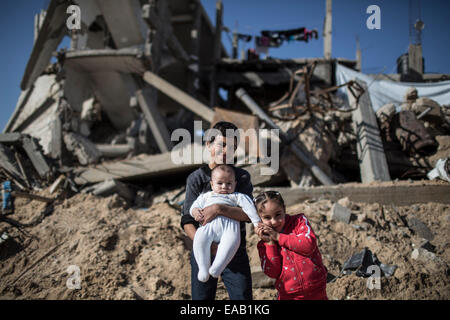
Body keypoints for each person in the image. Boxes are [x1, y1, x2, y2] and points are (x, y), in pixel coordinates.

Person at [180, 121, 254, 300]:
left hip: (234, 252)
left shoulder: (241, 177)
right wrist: (207, 245)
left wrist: (219, 209)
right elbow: (187, 220)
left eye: (232, 147)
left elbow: (247, 214)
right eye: (221, 144)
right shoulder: (196, 179)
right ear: (208, 144)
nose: (226, 151)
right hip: (204, 250)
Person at [190, 165, 260, 283]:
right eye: (220, 183)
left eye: (229, 183)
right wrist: (196, 212)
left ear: (235, 183)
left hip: (229, 228)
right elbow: (194, 206)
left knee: (232, 242)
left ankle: (217, 267)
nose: (224, 187)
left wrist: (257, 222)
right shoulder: (206, 196)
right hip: (208, 227)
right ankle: (203, 267)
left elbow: (250, 208)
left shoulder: (237, 196)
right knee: (199, 239)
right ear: (212, 184)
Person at [254, 191, 328, 300]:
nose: (274, 222)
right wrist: (270, 243)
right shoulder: (264, 244)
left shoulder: (298, 222)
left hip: (317, 290)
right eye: (267, 218)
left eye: (278, 215)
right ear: (260, 219)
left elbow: (308, 245)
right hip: (289, 295)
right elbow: (272, 272)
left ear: (284, 209)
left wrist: (279, 237)